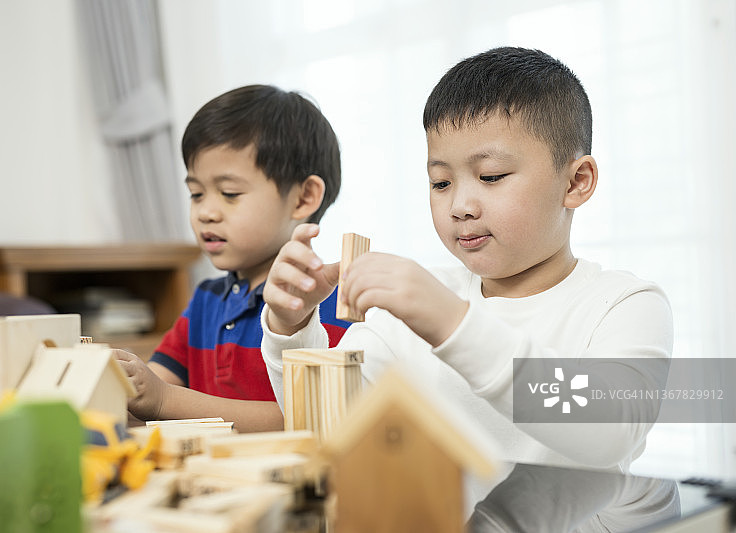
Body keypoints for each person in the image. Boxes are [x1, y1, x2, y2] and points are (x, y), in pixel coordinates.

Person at [260, 47, 673, 470]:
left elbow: (609, 431)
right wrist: (290, 328)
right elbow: (329, 431)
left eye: (491, 176)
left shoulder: (625, 303)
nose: (460, 205)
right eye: (440, 183)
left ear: (576, 181)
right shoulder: (407, 314)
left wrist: (451, 323)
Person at [116, 85, 350, 432]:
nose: (206, 212)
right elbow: (146, 392)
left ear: (303, 198)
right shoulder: (206, 301)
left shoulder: (324, 303)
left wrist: (165, 399)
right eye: (196, 194)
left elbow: (305, 418)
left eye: (229, 194)